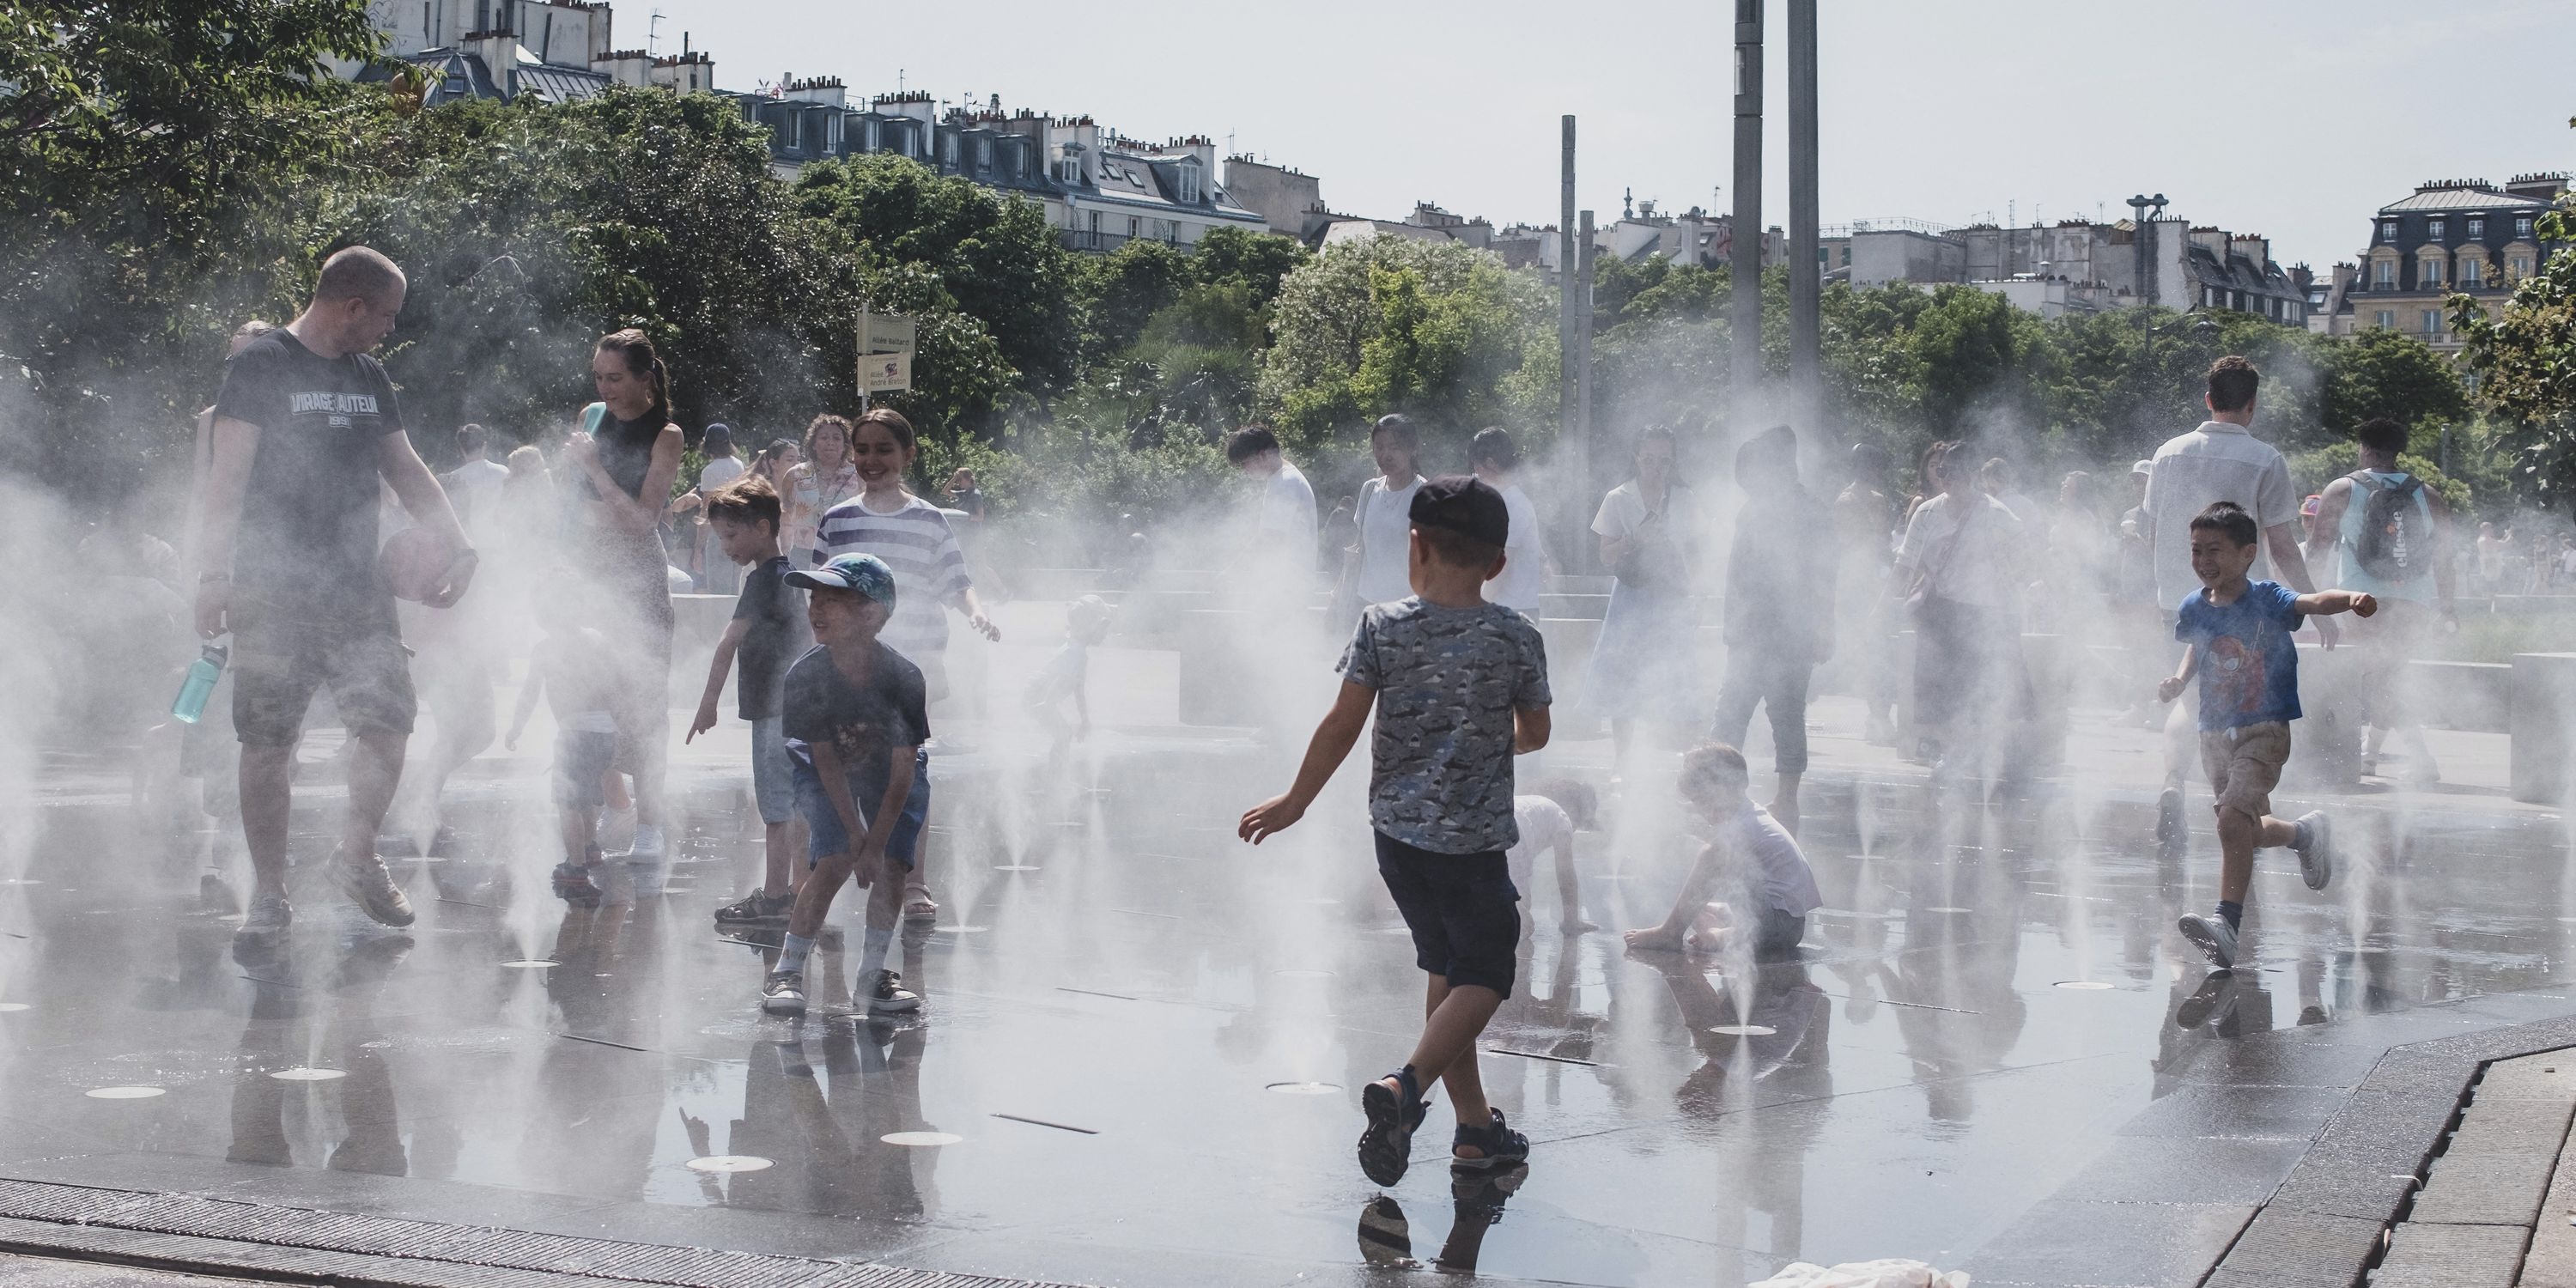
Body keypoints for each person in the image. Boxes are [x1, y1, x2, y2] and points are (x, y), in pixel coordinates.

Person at [1239, 476, 1552, 1187]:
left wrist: (1295, 801)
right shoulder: (1515, 636)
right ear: (1498, 563)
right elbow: (1536, 732)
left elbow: (1341, 724)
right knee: (1487, 973)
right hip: (1471, 845)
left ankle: (1474, 1130)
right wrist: (1496, 737)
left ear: (1415, 547)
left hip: (1398, 843)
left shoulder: (1381, 625)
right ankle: (1405, 1089)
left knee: (1447, 973)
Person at [192, 247, 476, 950]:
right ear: (353, 307)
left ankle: (355, 855)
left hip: (357, 587)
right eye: (387, 316)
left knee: (389, 722)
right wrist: (212, 576)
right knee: (268, 743)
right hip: (271, 587)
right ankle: (270, 894)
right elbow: (226, 482)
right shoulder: (261, 366)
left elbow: (405, 466)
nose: (389, 329)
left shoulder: (367, 375)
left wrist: (460, 545)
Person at [2161, 502, 2374, 969]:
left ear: (2247, 553)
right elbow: (2198, 647)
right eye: (2196, 550)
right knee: (2246, 828)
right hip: (2214, 733)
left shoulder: (2266, 598)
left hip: (2264, 729)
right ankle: (2304, 833)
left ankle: (2227, 925)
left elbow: (2311, 602)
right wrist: (2179, 680)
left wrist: (2351, 598)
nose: (2203, 560)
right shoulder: (2194, 605)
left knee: (2229, 820)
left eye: (2215, 550)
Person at [811, 408, 999, 923]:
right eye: (863, 450)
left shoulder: (929, 519)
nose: (871, 460)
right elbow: (820, 592)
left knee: (907, 770)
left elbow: (956, 580)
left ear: (908, 454)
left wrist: (977, 614)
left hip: (915, 663)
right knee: (847, 764)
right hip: (850, 662)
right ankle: (844, 868)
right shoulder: (838, 519)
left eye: (884, 450)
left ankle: (914, 880)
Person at [2142, 356, 2330, 850]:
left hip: (2177, 599)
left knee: (2189, 698)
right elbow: (2282, 545)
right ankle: (2252, 826)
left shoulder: (2167, 454)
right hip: (2246, 610)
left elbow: (2154, 532)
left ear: (2208, 400)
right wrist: (2311, 604)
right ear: (2252, 405)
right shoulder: (2265, 459)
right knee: (2247, 711)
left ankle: (2174, 783)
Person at [760, 554, 933, 1018]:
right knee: (834, 859)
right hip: (826, 769)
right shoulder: (807, 675)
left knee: (893, 865)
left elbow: (903, 769)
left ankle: (872, 977)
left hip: (890, 772)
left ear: (872, 614)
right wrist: (855, 836)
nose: (815, 608)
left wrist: (876, 845)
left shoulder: (904, 677)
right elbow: (825, 760)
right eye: (813, 598)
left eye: (831, 600)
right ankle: (787, 971)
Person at [560, 329, 684, 884]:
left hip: (637, 574)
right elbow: (571, 505)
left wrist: (592, 469)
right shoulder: (591, 417)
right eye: (598, 377)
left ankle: (650, 823)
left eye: (615, 378)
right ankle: (614, 806)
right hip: (588, 570)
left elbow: (642, 519)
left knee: (644, 701)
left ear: (644, 379)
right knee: (589, 697)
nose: (604, 388)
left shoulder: (666, 434)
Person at [688, 475, 813, 925]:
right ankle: (800, 891)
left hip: (773, 710)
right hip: (797, 708)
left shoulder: (762, 581)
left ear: (762, 528)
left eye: (730, 535)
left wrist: (707, 704)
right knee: (796, 804)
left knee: (776, 808)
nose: (725, 546)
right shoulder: (791, 576)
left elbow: (727, 643)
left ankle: (775, 897)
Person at [2306, 416, 2454, 784]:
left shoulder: (2343, 489)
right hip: (2415, 600)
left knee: (2375, 678)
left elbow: (2318, 547)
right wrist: (2448, 608)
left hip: (2362, 600)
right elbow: (2445, 557)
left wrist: (2308, 599)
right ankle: (2377, 757)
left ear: (2366, 448)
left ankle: (2397, 757)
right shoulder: (2429, 494)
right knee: (2390, 675)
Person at [1710, 426, 1835, 835]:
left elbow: (1825, 576)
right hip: (1750, 632)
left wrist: (1823, 627)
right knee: (1732, 713)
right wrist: (1732, 625)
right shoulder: (1753, 511)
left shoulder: (1811, 512)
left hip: (1791, 633)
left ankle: (1786, 800)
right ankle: (1721, 791)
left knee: (1784, 716)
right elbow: (1736, 575)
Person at [1890, 440, 2026, 780]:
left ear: (1973, 475)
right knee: (1940, 689)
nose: (1947, 479)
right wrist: (1881, 609)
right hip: (1940, 611)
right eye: (1942, 471)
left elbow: (2024, 563)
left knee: (1976, 688)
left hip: (1985, 614)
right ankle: (1950, 756)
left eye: (1955, 472)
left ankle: (1976, 756)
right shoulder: (1927, 512)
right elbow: (1905, 564)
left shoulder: (1997, 515)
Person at [1623, 744, 1821, 961]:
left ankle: (1673, 933)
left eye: (1706, 799)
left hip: (1777, 927)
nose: (1703, 809)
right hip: (1786, 925)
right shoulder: (1752, 815)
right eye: (1697, 802)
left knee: (1710, 855)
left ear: (1732, 787)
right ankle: (1717, 926)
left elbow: (1712, 861)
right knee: (1695, 894)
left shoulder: (1746, 825)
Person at [1584, 426, 1698, 781]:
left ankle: (1679, 764)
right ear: (1636, 457)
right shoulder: (1618, 497)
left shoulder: (1685, 498)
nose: (1656, 468)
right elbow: (1605, 556)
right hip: (1631, 597)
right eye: (1649, 459)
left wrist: (1693, 590)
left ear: (1673, 461)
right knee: (1624, 678)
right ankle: (1623, 760)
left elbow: (1698, 551)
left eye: (1664, 461)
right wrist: (1635, 538)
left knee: (1675, 678)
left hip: (1671, 596)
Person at [504, 586, 621, 905]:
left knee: (568, 802)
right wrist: (620, 726)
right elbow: (618, 683)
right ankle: (590, 848)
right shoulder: (598, 640)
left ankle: (576, 868)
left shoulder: (546, 649)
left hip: (574, 734)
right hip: (604, 731)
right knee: (588, 796)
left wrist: (516, 728)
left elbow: (530, 693)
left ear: (543, 616)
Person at [1835, 442, 1901, 745]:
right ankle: (1877, 717)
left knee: (1879, 653)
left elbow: (1883, 540)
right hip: (1856, 584)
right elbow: (1848, 543)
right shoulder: (1846, 501)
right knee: (1865, 654)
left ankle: (1879, 716)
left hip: (1875, 582)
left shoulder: (1878, 500)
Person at [1343, 414, 1427, 611]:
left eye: (1395, 447)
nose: (1386, 455)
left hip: (1408, 607)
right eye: (1379, 447)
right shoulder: (1369, 489)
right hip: (1365, 603)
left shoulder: (1425, 495)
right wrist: (1337, 596)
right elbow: (1358, 548)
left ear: (1413, 449)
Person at [1226, 424, 1319, 590]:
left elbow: (1270, 539)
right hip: (1290, 583)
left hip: (1289, 586)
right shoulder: (1283, 478)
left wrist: (1232, 573)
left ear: (1262, 456)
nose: (1244, 470)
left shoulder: (1285, 483)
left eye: (1244, 463)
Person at [1468, 428, 1550, 616]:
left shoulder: (1513, 504)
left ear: (1491, 463)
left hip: (1512, 611)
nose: (1476, 473)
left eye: (1477, 466)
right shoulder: (1503, 501)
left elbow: (1501, 567)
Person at [1508, 781, 1596, 935]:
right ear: (1574, 810)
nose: (1574, 830)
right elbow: (1565, 872)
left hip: (1495, 823)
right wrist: (1571, 921)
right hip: (1516, 834)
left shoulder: (1537, 805)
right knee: (1521, 919)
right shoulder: (1561, 816)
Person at [1026, 594, 1112, 750]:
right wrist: (1047, 704)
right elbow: (1062, 680)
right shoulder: (1075, 653)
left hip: (1038, 697)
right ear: (1090, 627)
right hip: (1037, 697)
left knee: (1063, 736)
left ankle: (1058, 766)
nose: (1105, 634)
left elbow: (1078, 689)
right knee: (1064, 735)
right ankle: (1057, 767)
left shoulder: (1077, 650)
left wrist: (1085, 720)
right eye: (1102, 627)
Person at [784, 415, 860, 568]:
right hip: (802, 553)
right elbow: (785, 513)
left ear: (845, 445)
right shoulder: (795, 475)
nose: (830, 442)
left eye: (836, 438)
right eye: (824, 437)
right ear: (813, 444)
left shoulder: (858, 477)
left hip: (843, 552)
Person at [693, 423, 747, 594]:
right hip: (740, 531)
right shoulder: (739, 465)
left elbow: (707, 510)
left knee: (718, 593)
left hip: (719, 534)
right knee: (736, 590)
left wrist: (698, 547)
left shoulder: (709, 471)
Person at [442, 423, 511, 544]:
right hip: (497, 539)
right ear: (484, 446)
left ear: (461, 449)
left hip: (469, 541)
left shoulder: (454, 478)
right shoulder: (503, 472)